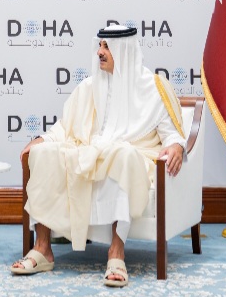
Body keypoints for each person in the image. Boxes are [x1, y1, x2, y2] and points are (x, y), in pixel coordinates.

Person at [10, 24, 186, 287]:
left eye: (107, 47)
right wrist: (43, 139)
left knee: (122, 155)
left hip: (133, 155)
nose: (100, 52)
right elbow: (65, 126)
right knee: (44, 154)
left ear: (124, 51)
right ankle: (42, 248)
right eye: (100, 46)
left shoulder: (153, 88)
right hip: (90, 149)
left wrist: (176, 146)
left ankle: (116, 253)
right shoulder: (90, 86)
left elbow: (171, 134)